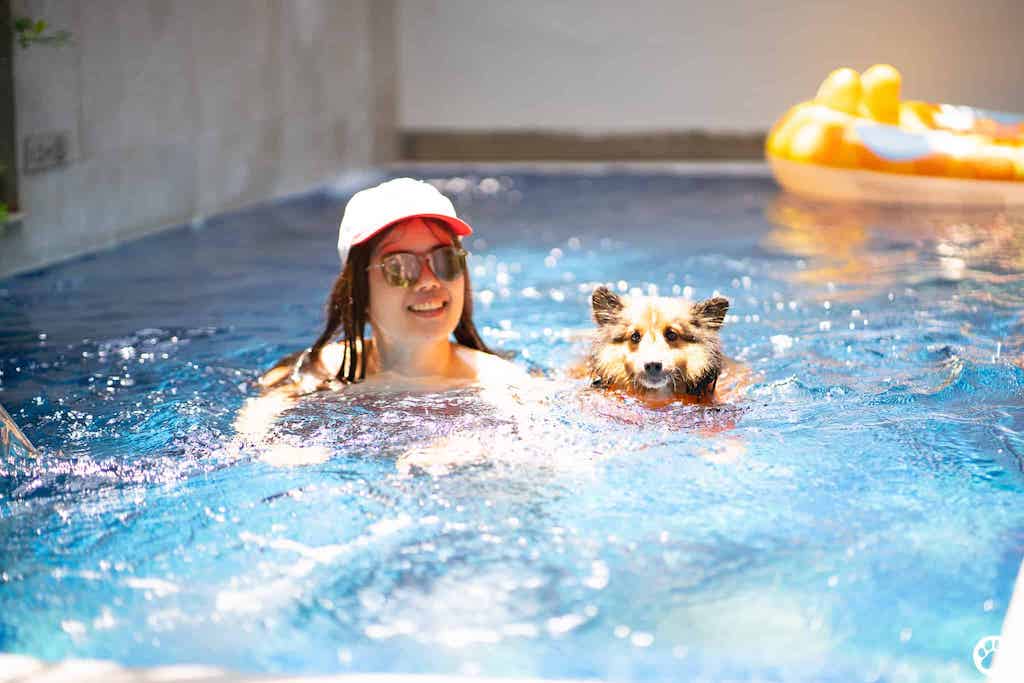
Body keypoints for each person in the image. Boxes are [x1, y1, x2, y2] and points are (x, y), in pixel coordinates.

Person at [237, 178, 525, 444]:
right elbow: (254, 439)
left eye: (445, 260)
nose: (428, 280)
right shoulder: (309, 375)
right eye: (399, 267)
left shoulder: (504, 389)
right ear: (358, 291)